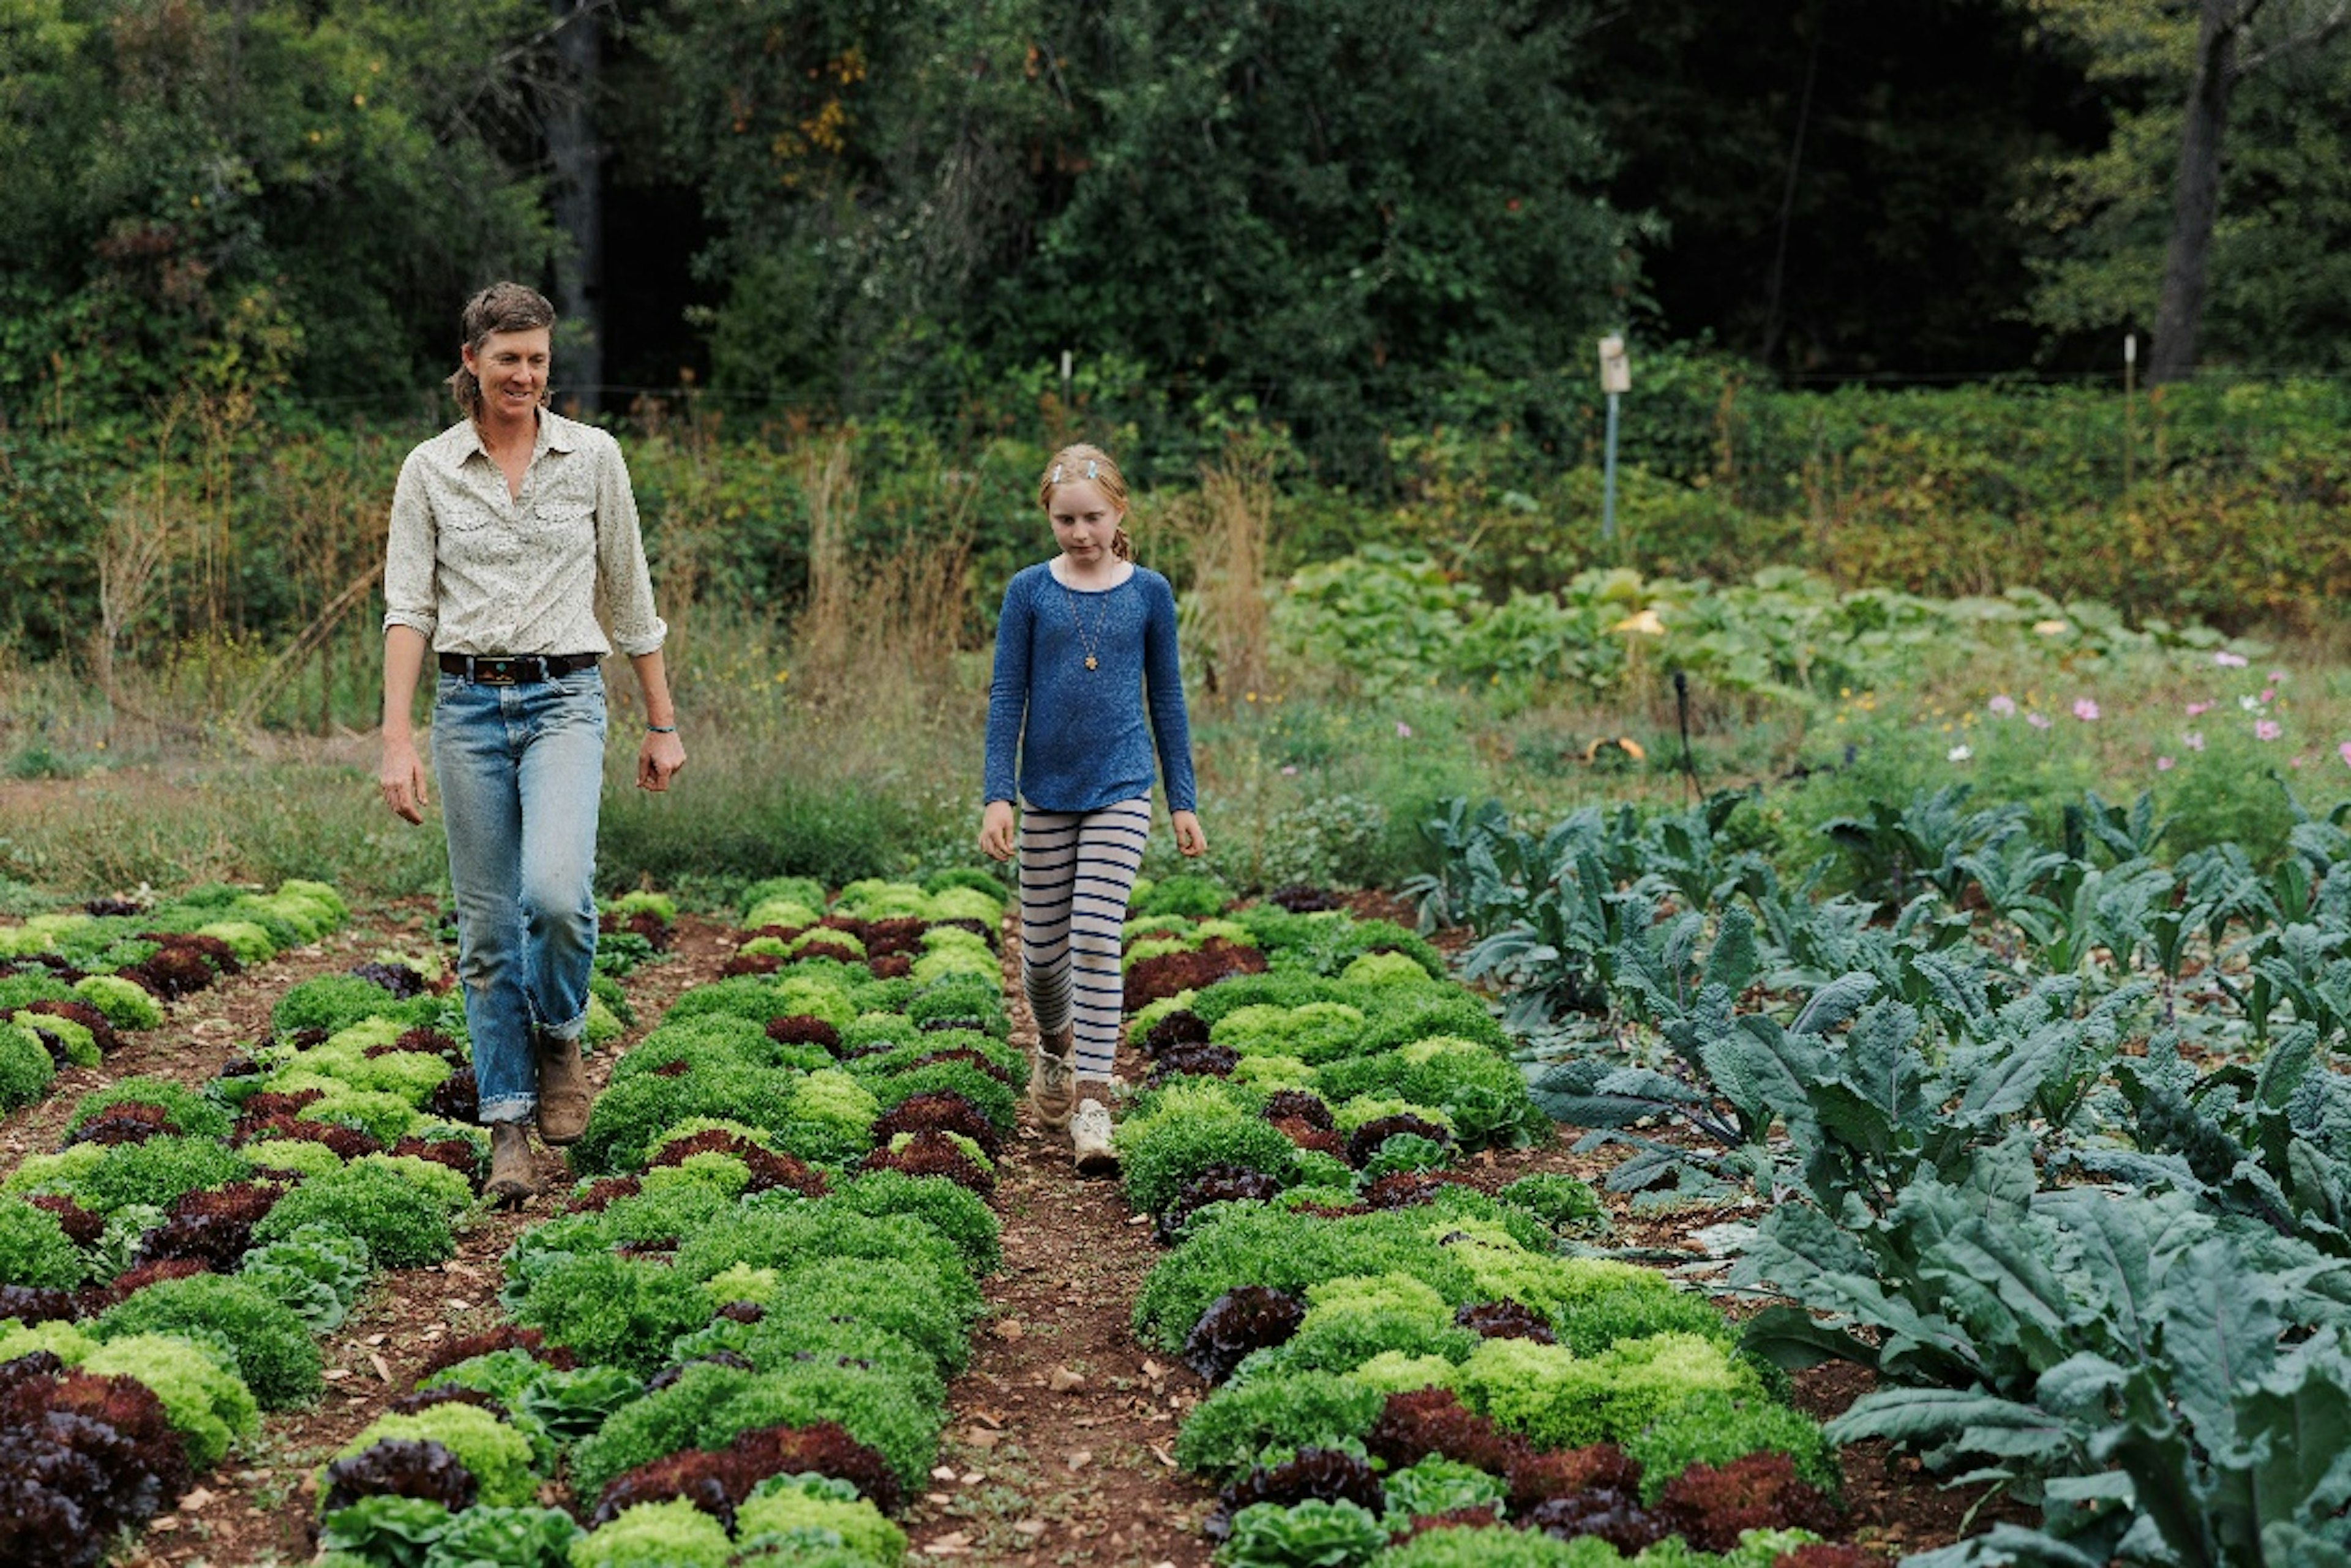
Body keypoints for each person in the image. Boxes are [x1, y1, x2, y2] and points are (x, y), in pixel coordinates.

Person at [378, 281, 684, 1201]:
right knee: (484, 931)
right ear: (471, 360)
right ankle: (508, 1122)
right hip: (469, 707)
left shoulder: (593, 458)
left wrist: (661, 721)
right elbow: (409, 610)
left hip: (564, 702)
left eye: (539, 359)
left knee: (554, 897)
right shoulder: (428, 469)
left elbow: (630, 594)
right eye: (508, 358)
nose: (525, 374)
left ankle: (560, 1035)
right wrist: (396, 737)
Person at [979, 443, 1207, 1173]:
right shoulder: (1029, 593)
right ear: (1048, 515)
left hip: (1122, 788)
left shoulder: (1150, 592)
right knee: (1043, 962)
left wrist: (1182, 800)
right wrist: (996, 794)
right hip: (1045, 794)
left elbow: (1167, 699)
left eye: (1093, 518)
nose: (1081, 533)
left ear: (1120, 513)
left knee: (1094, 937)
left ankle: (1093, 1101)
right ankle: (1053, 1048)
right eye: (1066, 519)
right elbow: (1006, 696)